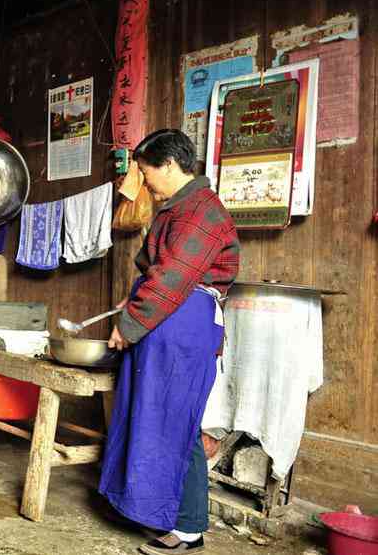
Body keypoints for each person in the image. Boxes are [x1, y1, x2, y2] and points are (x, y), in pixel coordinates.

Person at [100, 129, 240, 555]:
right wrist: (131, 301)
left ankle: (188, 529)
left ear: (170, 165)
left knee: (177, 422)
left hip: (183, 321)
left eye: (146, 173)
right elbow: (154, 268)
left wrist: (129, 323)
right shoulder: (177, 207)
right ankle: (158, 512)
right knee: (151, 416)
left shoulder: (202, 212)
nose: (144, 182)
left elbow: (174, 277)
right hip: (166, 318)